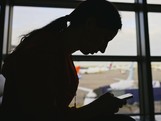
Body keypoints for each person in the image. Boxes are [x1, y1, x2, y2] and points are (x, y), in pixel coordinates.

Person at [1, 0, 135, 121]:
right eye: (104, 39)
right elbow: (42, 116)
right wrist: (93, 109)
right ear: (90, 24)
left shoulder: (55, 50)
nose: (103, 50)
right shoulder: (41, 54)